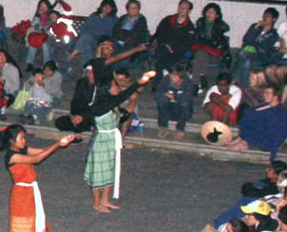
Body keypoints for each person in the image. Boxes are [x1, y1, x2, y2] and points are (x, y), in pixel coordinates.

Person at [0, 125, 74, 232]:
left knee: (35, 225)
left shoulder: (22, 150)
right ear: (12, 141)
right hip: (20, 195)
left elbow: (41, 152)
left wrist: (60, 143)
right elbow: (38, 158)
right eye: (22, 138)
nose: (24, 141)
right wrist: (58, 144)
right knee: (20, 229)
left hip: (31, 192)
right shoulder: (12, 156)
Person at [83, 71, 155, 212]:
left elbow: (124, 97)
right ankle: (97, 203)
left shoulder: (110, 102)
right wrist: (138, 83)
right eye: (114, 86)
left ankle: (105, 199)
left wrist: (140, 81)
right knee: (98, 171)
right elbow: (125, 95)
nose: (116, 88)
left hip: (111, 139)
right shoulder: (102, 105)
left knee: (110, 170)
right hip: (101, 141)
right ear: (107, 89)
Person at [227, 84, 287, 159]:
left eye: (268, 93)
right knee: (248, 111)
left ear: (275, 97)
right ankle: (241, 139)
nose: (265, 95)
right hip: (265, 133)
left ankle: (244, 142)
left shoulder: (279, 112)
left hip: (271, 140)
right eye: (264, 93)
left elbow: (276, 132)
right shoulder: (269, 105)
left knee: (254, 116)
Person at [191, 3, 232, 90]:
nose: (209, 14)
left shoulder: (219, 26)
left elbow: (218, 41)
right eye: (208, 12)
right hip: (202, 52)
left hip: (215, 53)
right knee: (201, 54)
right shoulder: (200, 24)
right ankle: (198, 80)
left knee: (201, 55)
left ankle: (198, 81)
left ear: (217, 15)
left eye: (212, 13)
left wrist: (206, 44)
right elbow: (196, 39)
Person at [236, 8, 280, 87]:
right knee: (247, 62)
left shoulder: (274, 34)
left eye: (268, 16)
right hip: (248, 55)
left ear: (274, 19)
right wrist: (255, 28)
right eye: (264, 15)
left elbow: (265, 49)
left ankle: (237, 82)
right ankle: (245, 86)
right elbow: (245, 40)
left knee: (243, 53)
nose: (265, 17)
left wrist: (254, 47)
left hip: (260, 58)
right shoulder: (255, 27)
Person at [152, 0, 196, 76]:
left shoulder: (190, 27)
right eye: (180, 7)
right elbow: (159, 33)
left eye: (185, 8)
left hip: (178, 51)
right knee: (160, 53)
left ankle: (165, 72)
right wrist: (165, 43)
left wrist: (173, 48)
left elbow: (187, 43)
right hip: (164, 46)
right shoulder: (168, 19)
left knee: (165, 59)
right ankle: (162, 77)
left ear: (189, 11)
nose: (181, 10)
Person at [70, 0, 118, 65]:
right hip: (90, 39)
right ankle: (87, 67)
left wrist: (107, 18)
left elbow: (111, 33)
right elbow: (84, 28)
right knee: (87, 45)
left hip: (103, 41)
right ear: (101, 7)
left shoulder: (114, 19)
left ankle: (73, 54)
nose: (106, 8)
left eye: (109, 7)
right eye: (105, 6)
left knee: (87, 38)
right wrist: (86, 35)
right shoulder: (94, 16)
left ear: (113, 9)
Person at [155, 65, 197, 139]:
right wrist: (168, 96)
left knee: (185, 103)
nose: (172, 77)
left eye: (174, 75)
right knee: (162, 99)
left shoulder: (188, 83)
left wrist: (173, 96)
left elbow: (186, 98)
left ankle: (180, 129)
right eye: (172, 75)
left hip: (182, 112)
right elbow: (158, 93)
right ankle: (163, 127)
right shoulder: (166, 80)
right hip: (169, 109)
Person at [54, 63, 98, 133]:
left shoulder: (101, 85)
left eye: (92, 73)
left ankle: (79, 130)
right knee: (60, 122)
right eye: (88, 72)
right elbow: (76, 100)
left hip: (92, 114)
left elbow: (99, 107)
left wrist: (83, 116)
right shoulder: (81, 83)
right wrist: (74, 115)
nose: (90, 75)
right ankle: (82, 128)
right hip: (81, 112)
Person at [25, 0, 53, 68]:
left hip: (49, 35)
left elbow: (50, 26)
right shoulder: (38, 16)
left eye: (44, 6)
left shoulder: (51, 15)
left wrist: (43, 30)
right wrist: (38, 17)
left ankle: (46, 64)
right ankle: (30, 63)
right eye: (41, 6)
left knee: (45, 45)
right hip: (39, 35)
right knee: (33, 44)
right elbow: (35, 26)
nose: (42, 8)